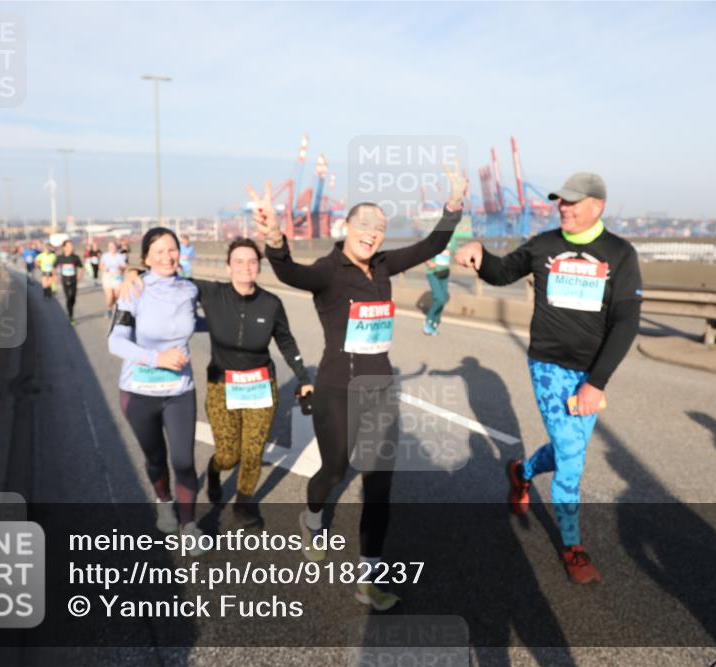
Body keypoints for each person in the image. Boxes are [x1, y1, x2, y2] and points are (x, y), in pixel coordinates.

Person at [251, 161, 468, 610]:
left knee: (380, 484)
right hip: (337, 389)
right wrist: (274, 238)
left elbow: (433, 243)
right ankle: (312, 518)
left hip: (380, 390)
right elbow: (290, 272)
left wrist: (453, 204)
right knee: (333, 471)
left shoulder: (385, 265)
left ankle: (369, 576)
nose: (372, 233)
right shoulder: (328, 272)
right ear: (345, 227)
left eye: (380, 227)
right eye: (364, 224)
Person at [455, 172, 642, 585]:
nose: (564, 207)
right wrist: (479, 254)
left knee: (565, 448)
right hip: (548, 366)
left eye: (573, 202)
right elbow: (502, 271)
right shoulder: (544, 245)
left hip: (590, 373)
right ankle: (573, 546)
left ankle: (521, 472)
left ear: (598, 206)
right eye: (561, 200)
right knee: (572, 459)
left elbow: (627, 321)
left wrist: (596, 383)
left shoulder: (620, 253)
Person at [122, 238, 313, 528]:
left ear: (258, 267)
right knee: (228, 453)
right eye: (238, 261)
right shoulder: (210, 292)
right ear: (228, 266)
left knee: (252, 451)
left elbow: (286, 341)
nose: (245, 267)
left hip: (261, 385)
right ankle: (214, 472)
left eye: (252, 262)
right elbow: (167, 276)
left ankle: (244, 504)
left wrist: (304, 379)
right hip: (221, 384)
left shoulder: (271, 303)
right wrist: (133, 272)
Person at [108, 227, 205, 550]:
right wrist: (156, 358)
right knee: (155, 459)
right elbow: (115, 340)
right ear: (146, 258)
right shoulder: (134, 289)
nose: (167, 256)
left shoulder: (189, 290)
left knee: (184, 461)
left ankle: (188, 524)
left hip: (180, 390)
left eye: (172, 249)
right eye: (158, 251)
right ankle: (163, 500)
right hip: (138, 392)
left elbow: (207, 318)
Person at [422, 236, 457, 335]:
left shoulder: (453, 240)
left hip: (444, 273)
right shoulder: (435, 237)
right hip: (433, 272)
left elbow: (458, 253)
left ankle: (434, 324)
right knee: (439, 298)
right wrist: (428, 262)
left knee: (443, 298)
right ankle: (428, 320)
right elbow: (422, 251)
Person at [54, 240, 84, 325]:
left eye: (72, 246)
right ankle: (71, 316)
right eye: (69, 246)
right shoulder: (60, 257)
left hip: (73, 280)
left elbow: (81, 267)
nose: (71, 247)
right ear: (64, 247)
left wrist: (79, 275)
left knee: (72, 299)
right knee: (68, 298)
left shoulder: (75, 257)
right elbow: (54, 267)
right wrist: (55, 276)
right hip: (64, 280)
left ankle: (70, 309)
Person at [100, 241, 128, 318]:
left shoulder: (120, 256)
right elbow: (101, 265)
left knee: (116, 296)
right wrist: (103, 268)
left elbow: (125, 267)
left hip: (117, 276)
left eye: (113, 246)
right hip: (108, 276)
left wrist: (121, 267)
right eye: (110, 246)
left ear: (116, 247)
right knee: (109, 296)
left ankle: (113, 309)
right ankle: (109, 309)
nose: (111, 248)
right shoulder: (105, 256)